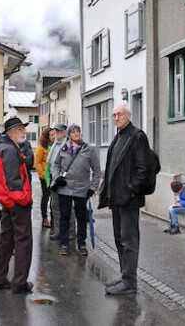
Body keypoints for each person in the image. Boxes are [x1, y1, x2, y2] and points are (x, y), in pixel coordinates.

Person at [98, 104, 151, 296]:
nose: (116, 118)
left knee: (129, 241)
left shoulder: (137, 136)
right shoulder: (118, 136)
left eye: (119, 114)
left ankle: (130, 281)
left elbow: (143, 169)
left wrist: (132, 190)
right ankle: (125, 276)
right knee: (120, 239)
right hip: (116, 198)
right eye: (113, 115)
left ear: (129, 115)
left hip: (128, 199)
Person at [0, 117, 34, 293]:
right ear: (11, 132)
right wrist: (25, 199)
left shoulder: (4, 147)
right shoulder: (9, 149)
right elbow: (13, 181)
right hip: (16, 203)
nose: (24, 131)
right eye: (21, 129)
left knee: (6, 240)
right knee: (23, 242)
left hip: (8, 202)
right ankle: (19, 283)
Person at [52, 124, 100, 257]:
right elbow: (55, 165)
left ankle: (82, 244)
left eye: (78, 131)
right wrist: (57, 177)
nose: (76, 134)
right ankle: (64, 243)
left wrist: (93, 187)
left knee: (81, 217)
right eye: (73, 132)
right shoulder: (64, 148)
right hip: (65, 188)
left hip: (82, 189)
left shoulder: (89, 149)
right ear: (69, 135)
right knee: (65, 217)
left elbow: (96, 170)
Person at [47, 123, 72, 241]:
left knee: (68, 208)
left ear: (65, 132)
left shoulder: (69, 145)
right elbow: (52, 163)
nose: (57, 133)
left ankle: (71, 232)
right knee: (55, 206)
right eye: (55, 131)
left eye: (59, 131)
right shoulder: (54, 145)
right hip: (55, 179)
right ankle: (58, 231)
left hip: (65, 180)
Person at [34, 128, 55, 228]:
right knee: (46, 197)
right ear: (47, 137)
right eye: (51, 135)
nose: (54, 136)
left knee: (54, 198)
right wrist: (43, 175)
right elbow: (37, 162)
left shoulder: (55, 146)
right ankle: (44, 218)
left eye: (54, 134)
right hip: (45, 175)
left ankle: (53, 217)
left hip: (54, 175)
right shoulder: (41, 147)